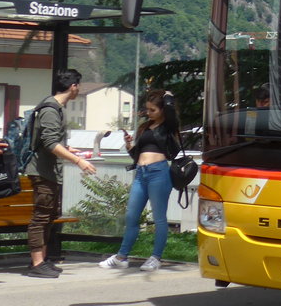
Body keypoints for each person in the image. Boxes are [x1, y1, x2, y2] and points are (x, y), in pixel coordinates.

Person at [100, 89, 182, 273]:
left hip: (159, 172)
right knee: (132, 215)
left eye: (153, 110)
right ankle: (122, 256)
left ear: (162, 109)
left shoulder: (168, 125)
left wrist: (168, 96)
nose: (149, 113)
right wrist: (129, 145)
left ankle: (155, 257)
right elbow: (136, 155)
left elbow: (171, 111)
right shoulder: (145, 128)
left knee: (159, 217)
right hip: (141, 172)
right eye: (147, 110)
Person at [25, 69, 96, 279]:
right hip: (42, 171)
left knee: (48, 216)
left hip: (50, 172)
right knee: (41, 217)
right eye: (78, 86)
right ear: (73, 86)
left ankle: (42, 260)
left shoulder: (57, 107)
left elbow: (51, 141)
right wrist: (78, 160)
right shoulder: (50, 109)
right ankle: (37, 263)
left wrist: (68, 150)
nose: (78, 90)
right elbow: (49, 142)